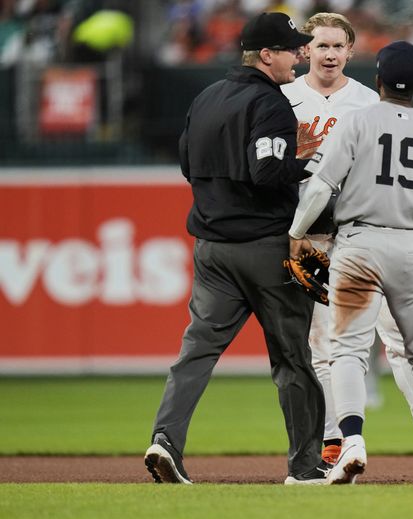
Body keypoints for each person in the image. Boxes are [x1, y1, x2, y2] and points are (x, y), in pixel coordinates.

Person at [281, 12, 413, 469]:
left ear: (352, 53)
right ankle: (333, 439)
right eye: (321, 45)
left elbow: (324, 182)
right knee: (324, 345)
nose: (329, 53)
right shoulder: (284, 98)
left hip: (350, 232)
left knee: (393, 341)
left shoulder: (368, 103)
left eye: (338, 46)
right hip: (317, 235)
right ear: (305, 50)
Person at [144, 12, 328, 486]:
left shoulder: (205, 97)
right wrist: (309, 161)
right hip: (264, 248)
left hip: (211, 249)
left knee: (196, 353)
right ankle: (305, 467)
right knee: (292, 359)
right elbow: (268, 172)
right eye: (292, 48)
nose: (300, 55)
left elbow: (188, 164)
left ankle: (164, 440)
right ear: (267, 56)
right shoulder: (270, 103)